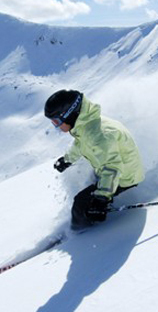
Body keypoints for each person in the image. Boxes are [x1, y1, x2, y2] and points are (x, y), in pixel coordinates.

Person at [44, 89, 145, 230]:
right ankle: (96, 207)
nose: (56, 126)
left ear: (69, 115)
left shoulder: (99, 135)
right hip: (116, 169)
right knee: (92, 182)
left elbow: (112, 168)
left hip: (125, 177)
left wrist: (101, 199)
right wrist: (67, 160)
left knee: (80, 203)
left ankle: (79, 233)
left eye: (56, 121)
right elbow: (80, 144)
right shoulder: (86, 127)